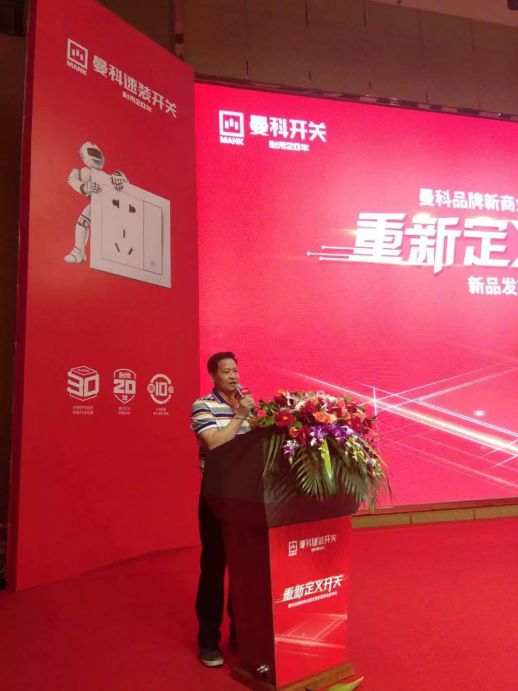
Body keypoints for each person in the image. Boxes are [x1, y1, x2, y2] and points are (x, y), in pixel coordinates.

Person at [190, 351, 256, 668]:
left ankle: (241, 633)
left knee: (244, 569)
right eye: (226, 371)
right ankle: (208, 640)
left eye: (235, 370)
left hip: (249, 498)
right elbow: (214, 443)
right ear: (213, 376)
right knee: (215, 568)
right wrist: (240, 417)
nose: (233, 376)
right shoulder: (202, 405)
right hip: (217, 497)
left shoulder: (248, 404)